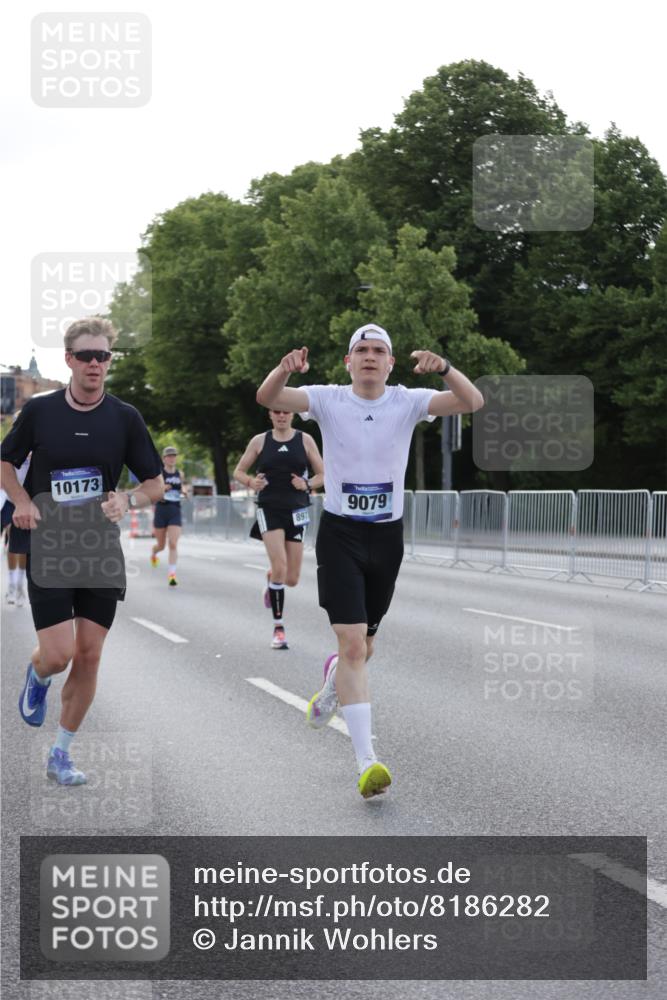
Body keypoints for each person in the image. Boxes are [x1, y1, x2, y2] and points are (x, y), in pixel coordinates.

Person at [256, 324, 484, 798]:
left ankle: (335, 684)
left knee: (365, 648)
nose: (370, 357)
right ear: (348, 361)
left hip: (386, 537)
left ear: (391, 363)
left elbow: (471, 402)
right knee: (355, 646)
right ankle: (367, 762)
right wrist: (284, 368)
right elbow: (267, 396)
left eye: (379, 351)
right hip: (340, 533)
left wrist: (443, 368)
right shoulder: (327, 398)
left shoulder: (406, 400)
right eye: (361, 350)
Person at [0, 317, 163, 786]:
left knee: (89, 655)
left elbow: (154, 483)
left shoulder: (125, 417)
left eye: (103, 356)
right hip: (49, 544)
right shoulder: (39, 411)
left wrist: (127, 499)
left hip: (98, 548)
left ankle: (61, 754)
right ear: (69, 360)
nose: (95, 364)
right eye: (86, 356)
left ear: (110, 361)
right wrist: (23, 501)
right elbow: (6, 462)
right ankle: (38, 672)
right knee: (59, 654)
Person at [233, 409, 324, 649]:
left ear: (292, 414)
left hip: (297, 510)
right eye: (277, 412)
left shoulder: (305, 440)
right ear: (270, 415)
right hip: (269, 509)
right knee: (280, 567)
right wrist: (252, 482)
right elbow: (238, 471)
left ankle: (271, 579)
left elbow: (324, 474)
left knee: (291, 578)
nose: (281, 416)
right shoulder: (260, 440)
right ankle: (278, 629)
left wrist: (305, 483)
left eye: (285, 412)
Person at [150, 445, 186, 586]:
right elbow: (153, 491)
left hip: (175, 510)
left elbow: (181, 487)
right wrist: (162, 489)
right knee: (161, 545)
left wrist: (184, 492)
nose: (172, 458)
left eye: (174, 456)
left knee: (173, 543)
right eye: (169, 456)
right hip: (161, 510)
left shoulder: (179, 473)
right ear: (164, 459)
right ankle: (154, 553)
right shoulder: (160, 474)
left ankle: (172, 574)